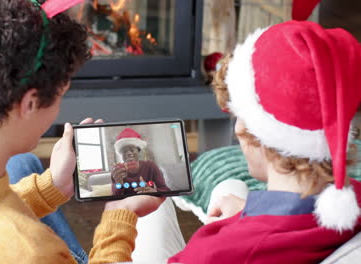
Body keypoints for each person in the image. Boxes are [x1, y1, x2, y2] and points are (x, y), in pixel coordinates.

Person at [0, 0, 164, 263]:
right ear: (31, 103)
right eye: (61, 95)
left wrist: (54, 186)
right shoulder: (33, 252)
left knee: (25, 164)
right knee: (161, 217)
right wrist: (119, 214)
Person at [106, 20, 361, 263]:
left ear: (246, 130)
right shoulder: (353, 202)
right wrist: (246, 213)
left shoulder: (218, 252)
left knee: (148, 210)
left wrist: (117, 217)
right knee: (230, 188)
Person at [110, 128, 171, 195]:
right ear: (121, 155)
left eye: (132, 150)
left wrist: (154, 191)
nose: (129, 153)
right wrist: (119, 184)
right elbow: (115, 197)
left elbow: (165, 190)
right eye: (124, 151)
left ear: (138, 151)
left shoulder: (150, 166)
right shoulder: (117, 172)